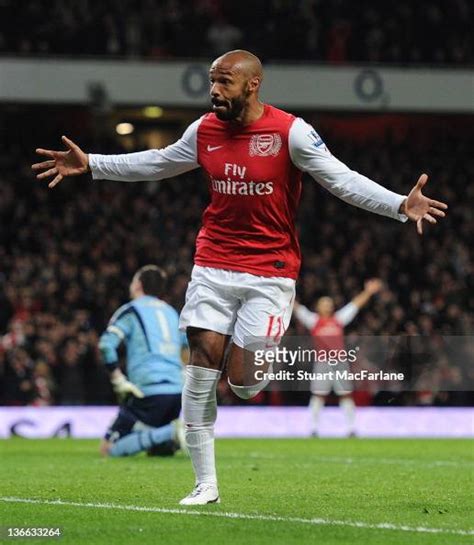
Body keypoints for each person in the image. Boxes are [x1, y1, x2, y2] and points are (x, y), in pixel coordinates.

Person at [32, 49, 448, 504]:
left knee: (245, 384)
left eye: (224, 82)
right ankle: (204, 483)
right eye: (212, 81)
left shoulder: (291, 132)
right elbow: (156, 161)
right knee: (200, 365)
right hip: (212, 264)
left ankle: (258, 352)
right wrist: (93, 163)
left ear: (253, 84)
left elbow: (340, 179)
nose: (214, 90)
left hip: (270, 273)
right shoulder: (204, 131)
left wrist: (398, 205)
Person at [98, 265, 187, 458]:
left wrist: (117, 380)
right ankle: (166, 438)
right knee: (157, 450)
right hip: (177, 393)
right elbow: (187, 345)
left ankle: (172, 433)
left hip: (147, 391)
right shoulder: (172, 312)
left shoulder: (131, 311)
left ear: (138, 284)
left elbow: (106, 344)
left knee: (108, 449)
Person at [293, 278, 383, 437]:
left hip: (340, 363)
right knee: (318, 395)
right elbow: (297, 307)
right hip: (322, 363)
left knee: (346, 394)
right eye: (324, 303)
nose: (328, 305)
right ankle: (313, 428)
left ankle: (351, 428)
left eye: (329, 303)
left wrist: (368, 292)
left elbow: (355, 305)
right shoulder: (313, 320)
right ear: (318, 307)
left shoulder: (338, 320)